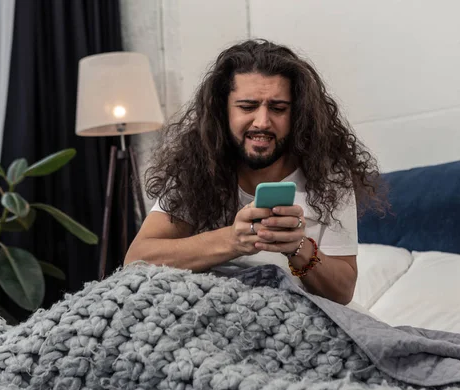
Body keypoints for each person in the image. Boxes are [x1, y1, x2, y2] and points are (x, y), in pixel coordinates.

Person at [124, 39, 385, 305]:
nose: (262, 122)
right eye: (247, 107)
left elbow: (342, 293)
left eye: (278, 108)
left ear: (298, 114)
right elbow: (138, 260)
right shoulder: (196, 168)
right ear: (222, 111)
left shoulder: (328, 176)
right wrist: (232, 240)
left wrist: (298, 247)